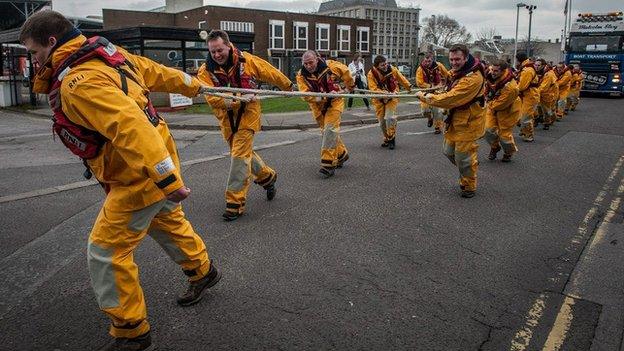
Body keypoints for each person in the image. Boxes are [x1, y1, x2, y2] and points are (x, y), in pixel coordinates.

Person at [20, 10, 220, 350]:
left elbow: (130, 125)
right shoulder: (106, 53)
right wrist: (192, 84)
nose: (34, 61)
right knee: (167, 222)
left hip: (136, 172)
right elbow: (153, 71)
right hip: (153, 156)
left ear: (52, 43)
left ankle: (131, 331)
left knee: (106, 251)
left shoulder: (79, 82)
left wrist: (166, 179)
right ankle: (203, 272)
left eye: (35, 53)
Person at [196, 30, 293, 221]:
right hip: (227, 119)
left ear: (228, 45)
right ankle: (267, 177)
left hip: (248, 116)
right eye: (213, 52)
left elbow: (270, 72)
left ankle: (235, 202)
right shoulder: (205, 71)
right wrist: (237, 100)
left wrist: (288, 86)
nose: (217, 55)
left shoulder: (247, 61)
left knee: (239, 156)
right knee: (242, 153)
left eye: (220, 50)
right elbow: (212, 99)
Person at [415, 44, 486, 198]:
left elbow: (452, 98)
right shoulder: (458, 72)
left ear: (466, 58)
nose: (454, 63)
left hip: (469, 122)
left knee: (463, 158)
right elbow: (449, 90)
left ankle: (469, 185)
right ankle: (469, 167)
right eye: (451, 59)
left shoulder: (473, 78)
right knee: (448, 152)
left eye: (457, 59)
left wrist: (426, 96)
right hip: (455, 119)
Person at [296, 50, 354, 178]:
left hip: (335, 102)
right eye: (305, 64)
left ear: (317, 59)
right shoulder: (301, 75)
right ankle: (342, 154)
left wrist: (349, 87)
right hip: (318, 107)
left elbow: (346, 73)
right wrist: (322, 98)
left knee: (330, 130)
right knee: (326, 132)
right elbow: (305, 95)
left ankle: (328, 164)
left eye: (310, 62)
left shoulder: (332, 66)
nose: (308, 66)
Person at [367, 55, 411, 149]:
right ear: (377, 66)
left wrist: (409, 87)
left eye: (386, 63)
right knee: (382, 122)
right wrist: (384, 93)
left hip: (393, 96)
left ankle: (392, 138)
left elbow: (401, 78)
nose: (385, 66)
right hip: (379, 99)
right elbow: (373, 89)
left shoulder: (392, 69)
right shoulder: (371, 74)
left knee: (390, 117)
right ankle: (387, 138)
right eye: (383, 65)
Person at [484, 60, 521, 162]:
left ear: (503, 71)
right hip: (493, 105)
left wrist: (488, 102)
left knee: (504, 135)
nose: (492, 72)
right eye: (492, 69)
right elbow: (487, 89)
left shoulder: (510, 87)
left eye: (496, 71)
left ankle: (508, 152)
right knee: (487, 130)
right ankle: (495, 147)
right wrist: (486, 97)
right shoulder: (491, 76)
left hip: (508, 109)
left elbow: (501, 104)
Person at [415, 52, 450, 134]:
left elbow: (447, 75)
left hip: (437, 91)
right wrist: (430, 86)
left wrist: (448, 83)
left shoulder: (439, 66)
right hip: (426, 92)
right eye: (426, 61)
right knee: (425, 111)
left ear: (432, 60)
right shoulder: (420, 69)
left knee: (439, 111)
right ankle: (429, 118)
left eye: (429, 61)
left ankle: (438, 127)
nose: (427, 63)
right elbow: (419, 82)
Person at [515, 52, 540, 142]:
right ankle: (524, 129)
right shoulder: (526, 68)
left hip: (530, 96)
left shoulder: (527, 70)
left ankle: (528, 135)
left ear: (518, 59)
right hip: (526, 96)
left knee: (526, 117)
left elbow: (522, 86)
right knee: (519, 115)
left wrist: (513, 90)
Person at [535, 59, 559, 130]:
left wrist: (534, 92)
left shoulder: (549, 74)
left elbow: (544, 87)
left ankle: (547, 122)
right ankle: (539, 119)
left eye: (538, 65)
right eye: (535, 65)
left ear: (543, 65)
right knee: (538, 108)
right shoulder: (538, 72)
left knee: (547, 110)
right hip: (540, 94)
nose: (536, 67)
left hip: (548, 94)